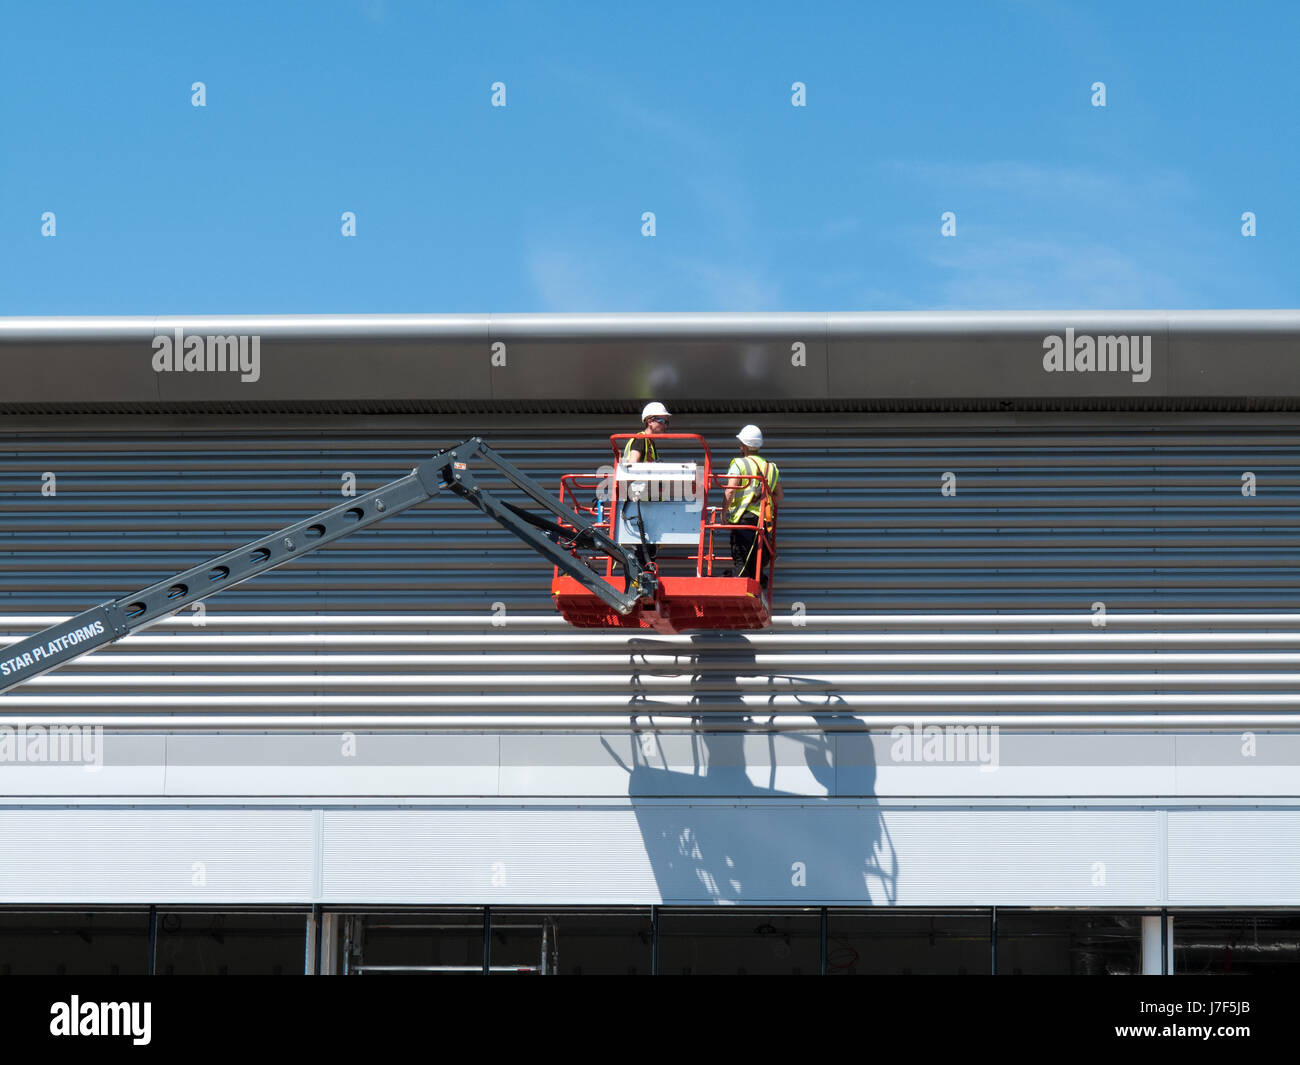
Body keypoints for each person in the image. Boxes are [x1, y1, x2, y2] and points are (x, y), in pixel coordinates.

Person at [723, 424, 782, 584]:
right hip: (763, 523)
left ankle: (744, 587)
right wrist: (763, 501)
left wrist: (723, 513)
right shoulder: (772, 468)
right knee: (757, 560)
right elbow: (779, 495)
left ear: (744, 446)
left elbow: (730, 491)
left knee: (742, 560)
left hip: (743, 521)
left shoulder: (739, 463)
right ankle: (757, 586)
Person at [620, 402, 671, 569]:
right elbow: (632, 465)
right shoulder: (640, 440)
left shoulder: (649, 443)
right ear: (650, 421)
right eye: (662, 421)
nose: (666, 426)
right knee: (643, 552)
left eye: (666, 422)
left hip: (644, 504)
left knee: (647, 550)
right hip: (637, 502)